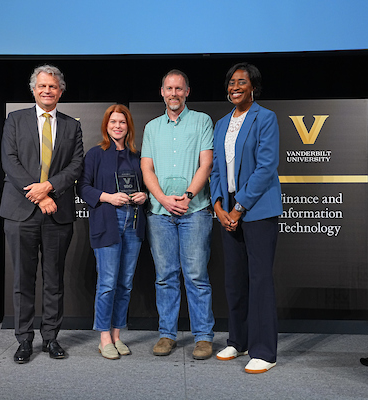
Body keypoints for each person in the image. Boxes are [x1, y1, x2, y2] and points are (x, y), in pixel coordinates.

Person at [0, 65, 84, 363]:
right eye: (42, 86)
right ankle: (24, 340)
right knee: (23, 280)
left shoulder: (71, 125)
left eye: (53, 86)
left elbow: (75, 166)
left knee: (53, 279)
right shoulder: (15, 119)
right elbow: (9, 161)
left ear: (61, 91)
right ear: (33, 89)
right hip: (20, 213)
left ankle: (51, 338)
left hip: (57, 213)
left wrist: (48, 188)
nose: (47, 90)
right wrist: (37, 194)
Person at [210, 62, 282, 373]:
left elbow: (266, 167)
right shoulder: (222, 123)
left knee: (260, 280)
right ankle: (237, 341)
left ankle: (264, 349)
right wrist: (218, 207)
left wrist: (239, 208)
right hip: (228, 213)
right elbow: (215, 169)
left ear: (253, 86)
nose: (234, 86)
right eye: (231, 82)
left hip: (257, 211)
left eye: (241, 81)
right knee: (235, 281)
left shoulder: (266, 118)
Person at [141, 69, 216, 360]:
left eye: (179, 89)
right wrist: (161, 198)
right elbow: (147, 169)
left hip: (194, 210)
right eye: (169, 88)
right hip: (159, 213)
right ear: (162, 92)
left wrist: (186, 197)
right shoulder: (152, 127)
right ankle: (167, 334)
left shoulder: (201, 121)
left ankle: (203, 337)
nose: (174, 93)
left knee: (196, 276)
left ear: (187, 92)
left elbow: (206, 164)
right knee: (165, 277)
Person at [77, 104, 147, 360]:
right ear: (106, 126)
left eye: (122, 122)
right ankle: (104, 337)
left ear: (129, 127)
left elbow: (147, 185)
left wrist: (144, 195)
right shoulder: (95, 154)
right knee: (107, 283)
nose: (118, 126)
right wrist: (107, 197)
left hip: (134, 222)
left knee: (125, 284)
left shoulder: (137, 155)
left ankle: (117, 335)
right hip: (107, 222)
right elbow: (82, 188)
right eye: (113, 122)